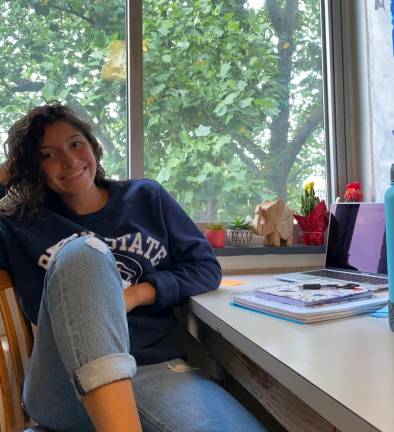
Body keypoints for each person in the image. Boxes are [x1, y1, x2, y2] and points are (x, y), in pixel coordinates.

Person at [0, 102, 266, 432]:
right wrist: (9, 174)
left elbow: (204, 267)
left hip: (153, 369)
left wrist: (139, 294)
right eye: (47, 155)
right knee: (83, 252)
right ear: (32, 167)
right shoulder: (21, 224)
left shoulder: (145, 198)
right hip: (63, 383)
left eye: (75, 144)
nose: (69, 160)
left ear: (93, 146)